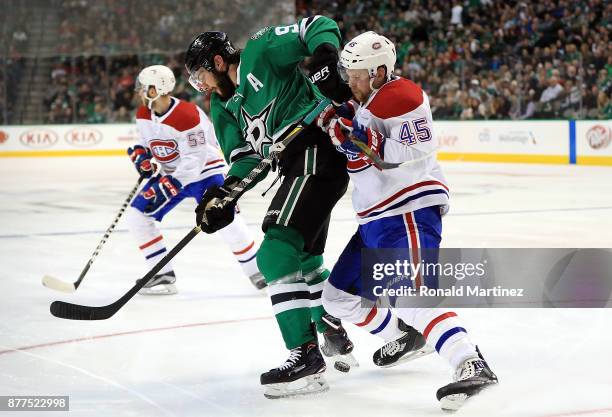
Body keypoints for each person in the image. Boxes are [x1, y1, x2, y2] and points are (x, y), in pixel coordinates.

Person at [317, 32, 498, 411]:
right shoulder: (367, 99)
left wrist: (352, 134)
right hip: (375, 217)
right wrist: (345, 122)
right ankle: (407, 335)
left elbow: (406, 152)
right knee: (337, 298)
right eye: (347, 73)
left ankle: (469, 361)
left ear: (380, 71)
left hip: (408, 211)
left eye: (357, 74)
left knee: (413, 295)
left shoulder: (402, 95)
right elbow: (361, 131)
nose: (350, 81)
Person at [184, 17, 356, 399]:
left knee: (275, 254)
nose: (203, 87)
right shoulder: (222, 106)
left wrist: (326, 55)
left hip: (315, 150)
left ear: (216, 62)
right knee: (306, 261)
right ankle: (353, 329)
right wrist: (224, 194)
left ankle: (306, 357)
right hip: (294, 165)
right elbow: (247, 159)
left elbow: (315, 25)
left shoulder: (261, 52)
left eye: (201, 77)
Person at [125, 65, 265, 295]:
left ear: (153, 90)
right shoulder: (143, 113)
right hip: (172, 175)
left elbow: (196, 158)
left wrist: (169, 184)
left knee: (226, 221)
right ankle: (161, 274)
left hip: (206, 174)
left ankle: (257, 270)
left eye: (143, 87)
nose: (139, 91)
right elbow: (145, 142)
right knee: (137, 216)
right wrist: (142, 158)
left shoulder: (187, 115)